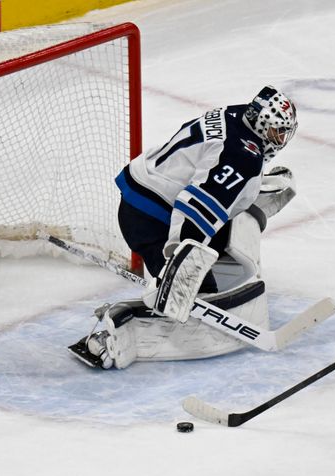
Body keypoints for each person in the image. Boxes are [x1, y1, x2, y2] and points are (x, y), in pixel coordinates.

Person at [69, 86, 299, 370]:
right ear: (262, 125)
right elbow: (196, 207)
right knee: (194, 293)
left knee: (234, 217)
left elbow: (208, 167)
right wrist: (181, 262)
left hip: (143, 198)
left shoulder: (236, 114)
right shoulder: (244, 158)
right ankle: (111, 332)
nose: (279, 140)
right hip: (151, 219)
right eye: (277, 132)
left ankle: (185, 271)